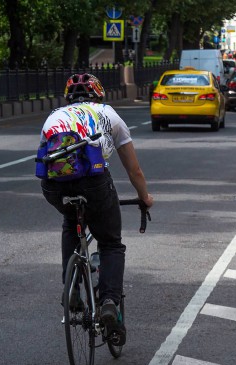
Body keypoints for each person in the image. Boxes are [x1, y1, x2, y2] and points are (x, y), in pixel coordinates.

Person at [39, 73, 154, 344]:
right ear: (98, 95)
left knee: (71, 223)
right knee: (111, 242)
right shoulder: (108, 114)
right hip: (94, 184)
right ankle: (110, 303)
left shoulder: (53, 116)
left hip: (54, 186)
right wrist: (144, 197)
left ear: (68, 97)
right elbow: (134, 169)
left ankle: (71, 290)